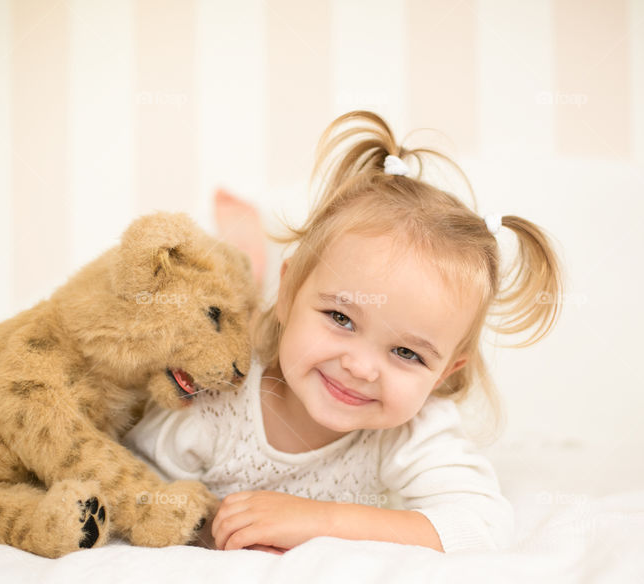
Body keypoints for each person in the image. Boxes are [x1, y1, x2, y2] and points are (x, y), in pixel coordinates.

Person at [124, 110, 564, 554]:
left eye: (408, 354)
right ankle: (245, 258)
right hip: (254, 329)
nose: (361, 367)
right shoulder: (216, 402)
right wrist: (216, 526)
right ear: (291, 291)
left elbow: (480, 527)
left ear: (445, 372)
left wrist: (321, 521)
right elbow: (129, 485)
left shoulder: (409, 428)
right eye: (341, 319)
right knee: (226, 310)